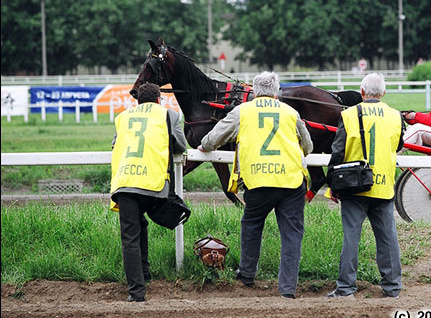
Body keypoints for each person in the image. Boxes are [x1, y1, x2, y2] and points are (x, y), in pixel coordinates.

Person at [198, 71, 313, 299]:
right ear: (277, 92)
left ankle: (247, 274)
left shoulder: (242, 111)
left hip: (258, 181)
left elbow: (212, 139)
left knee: (251, 226)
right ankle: (288, 289)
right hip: (291, 181)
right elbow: (307, 146)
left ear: (254, 91)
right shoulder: (291, 112)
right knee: (292, 235)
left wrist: (204, 146)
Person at [326, 72, 405, 299]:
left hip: (354, 186)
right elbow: (398, 144)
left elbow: (338, 151)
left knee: (351, 238)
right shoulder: (395, 116)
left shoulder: (349, 114)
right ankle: (392, 288)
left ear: (362, 92)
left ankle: (346, 289)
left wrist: (332, 184)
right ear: (383, 93)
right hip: (384, 186)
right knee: (388, 238)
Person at [110, 82, 187, 302]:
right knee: (148, 223)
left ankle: (137, 292)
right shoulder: (169, 115)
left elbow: (116, 144)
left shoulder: (123, 117)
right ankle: (147, 275)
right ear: (158, 100)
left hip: (126, 182)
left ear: (137, 101)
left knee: (130, 237)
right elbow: (181, 145)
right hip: (154, 185)